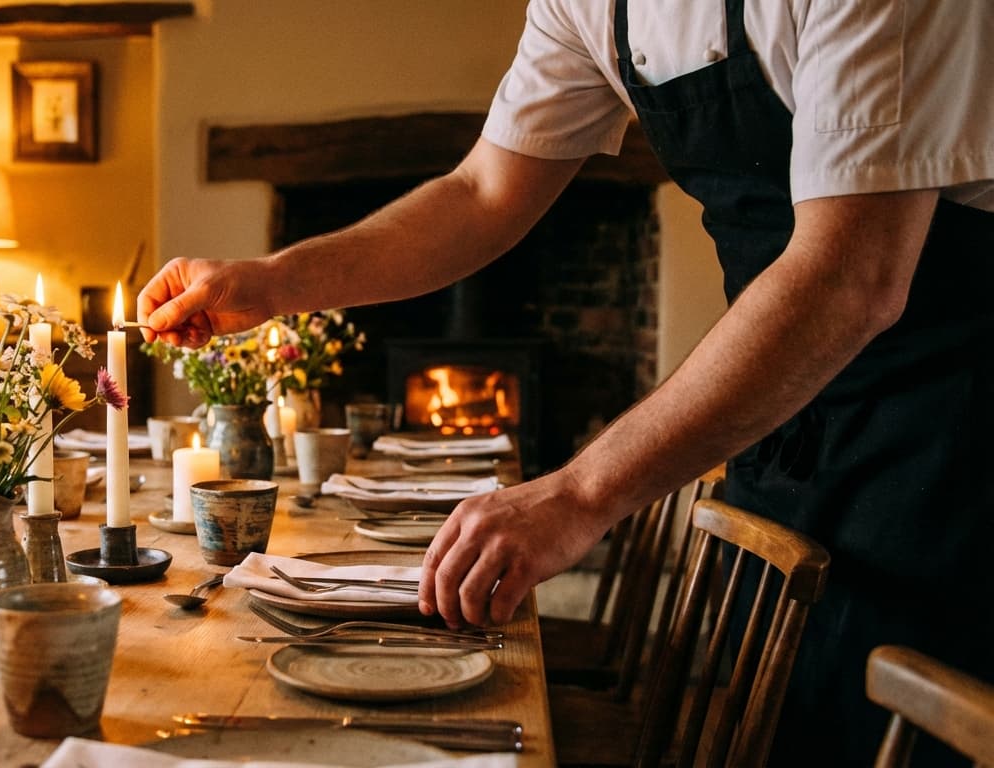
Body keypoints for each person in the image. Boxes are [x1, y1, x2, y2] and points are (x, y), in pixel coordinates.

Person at [137, 2, 994, 763]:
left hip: (950, 438)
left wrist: (579, 495)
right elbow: (481, 192)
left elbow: (851, 279)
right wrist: (271, 282)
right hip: (788, 421)